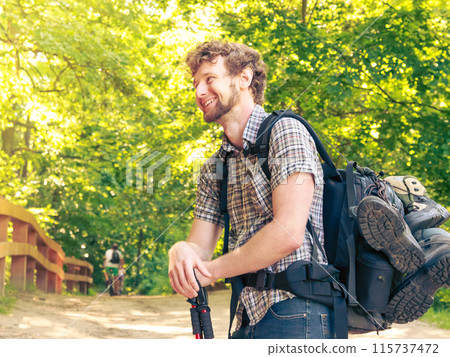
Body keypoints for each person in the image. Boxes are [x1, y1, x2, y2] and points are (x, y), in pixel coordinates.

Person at [168, 40, 333, 339]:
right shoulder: (215, 167)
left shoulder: (286, 131)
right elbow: (200, 248)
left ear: (244, 78)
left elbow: (288, 233)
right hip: (245, 316)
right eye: (195, 84)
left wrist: (212, 271)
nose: (199, 92)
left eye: (209, 79)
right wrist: (180, 251)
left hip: (297, 311)